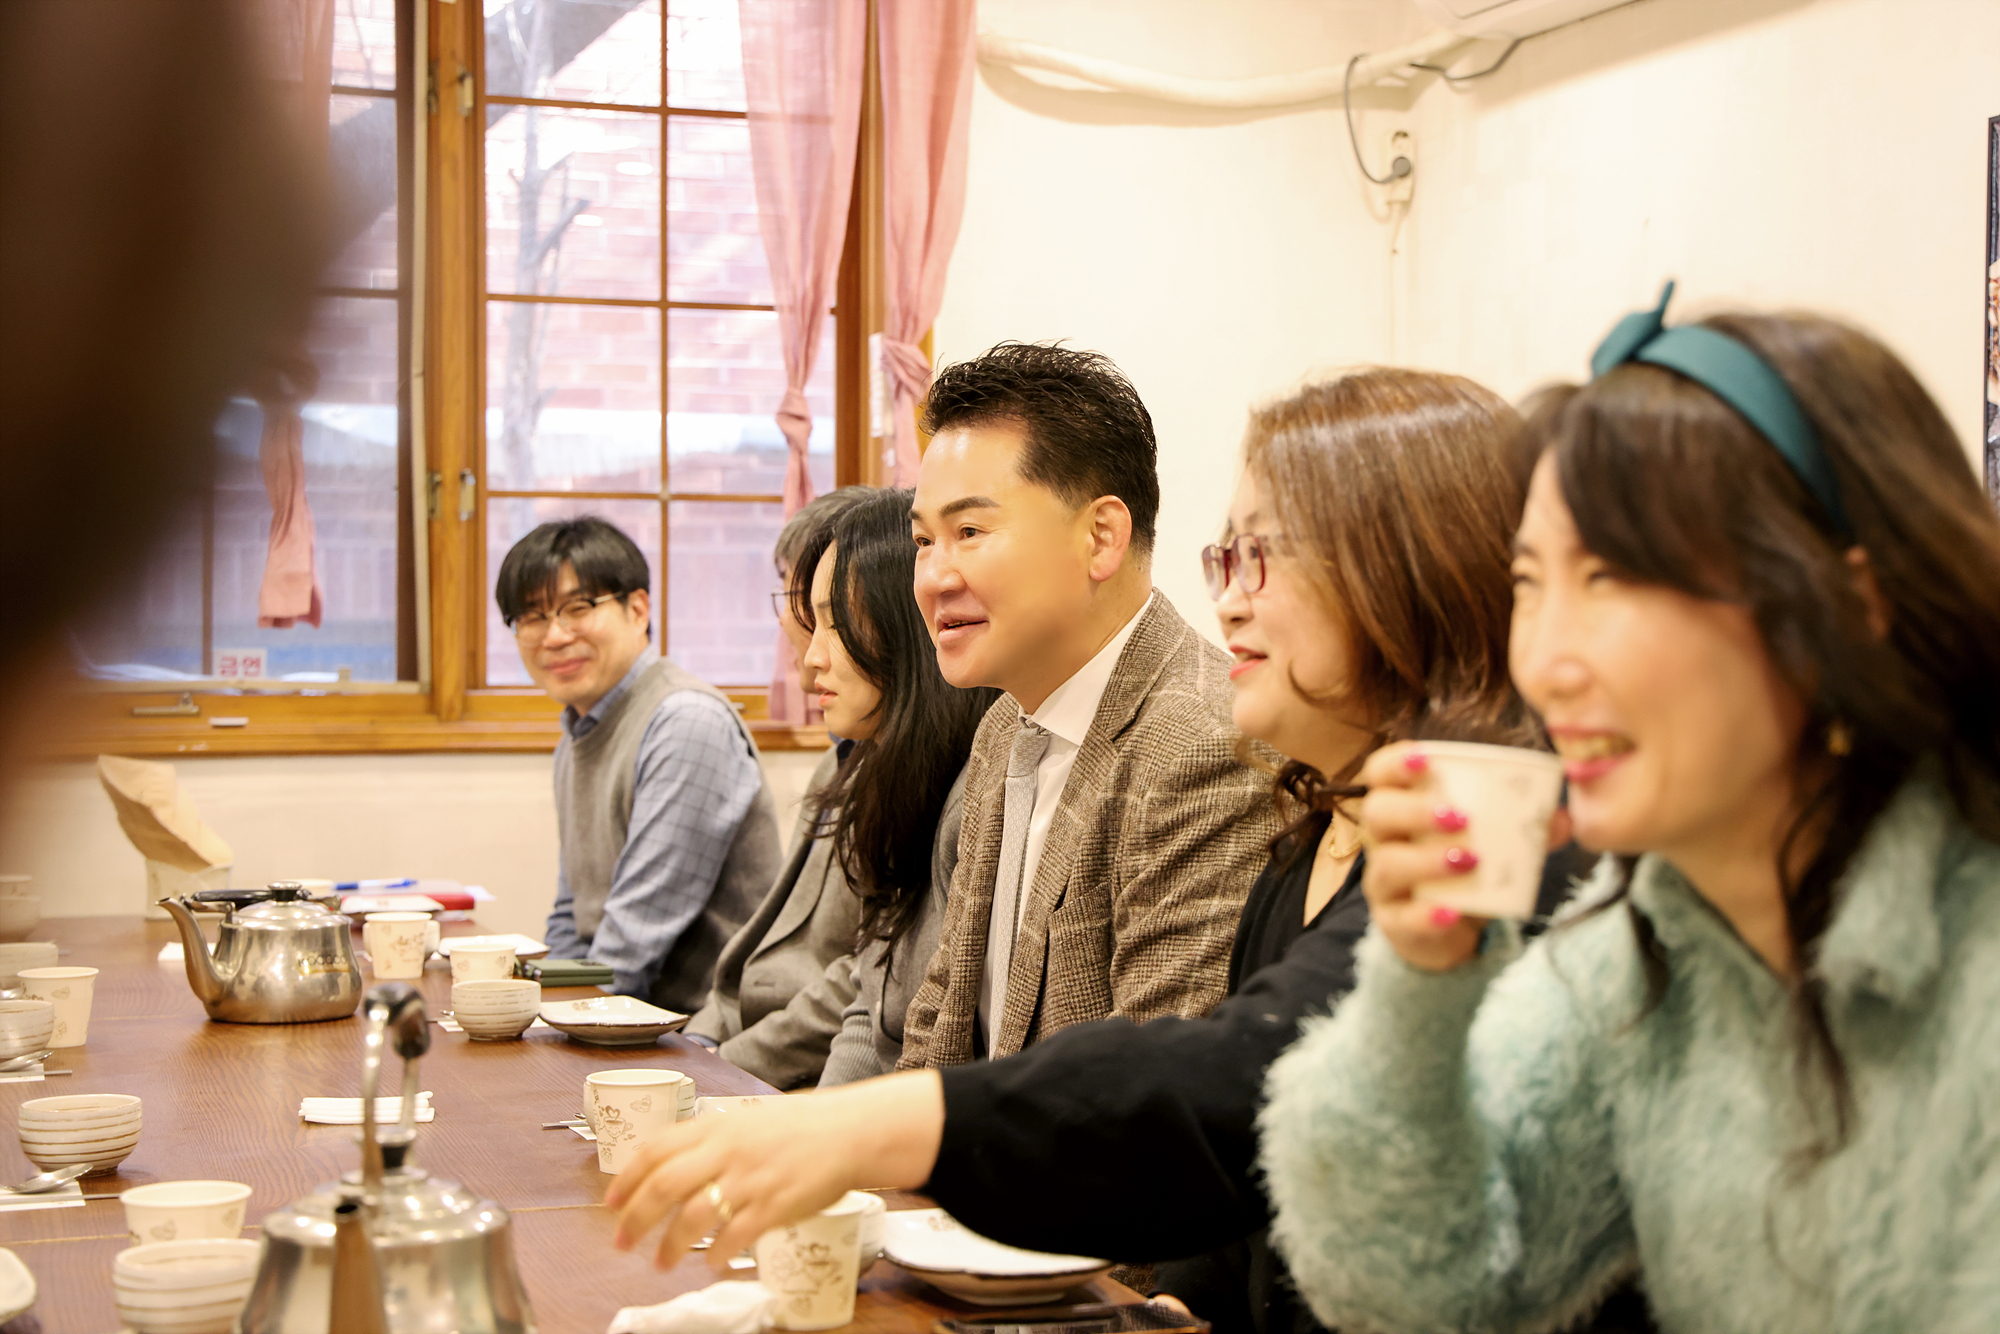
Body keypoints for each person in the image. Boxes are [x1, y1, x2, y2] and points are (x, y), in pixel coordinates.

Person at [598, 370, 1646, 1334]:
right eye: (1224, 555)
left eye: (1265, 556)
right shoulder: (1299, 824)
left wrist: (870, 1129)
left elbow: (1221, 1077)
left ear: (1408, 572)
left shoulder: (1508, 837)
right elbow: (1238, 1173)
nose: (1229, 595)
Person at [1259, 290, 2000, 1334]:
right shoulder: (1643, 933)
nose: (1546, 663)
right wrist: (1416, 994)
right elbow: (1418, 1280)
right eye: (1528, 581)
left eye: (1609, 576)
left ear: (1846, 603)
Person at [899, 342, 1278, 1067]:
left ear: (1101, 536)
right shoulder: (1006, 723)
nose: (933, 576)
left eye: (969, 532)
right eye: (923, 539)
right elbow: (941, 1017)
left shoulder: (1203, 745)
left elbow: (1151, 1090)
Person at [495, 517, 781, 1012]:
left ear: (638, 609)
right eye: (532, 617)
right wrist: (543, 1008)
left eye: (577, 608)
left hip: (705, 1030)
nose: (554, 636)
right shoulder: (577, 733)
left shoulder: (685, 721)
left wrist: (562, 1021)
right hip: (629, 1014)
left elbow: (635, 935)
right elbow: (572, 913)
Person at [799, 490, 999, 1083]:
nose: (811, 658)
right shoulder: (882, 773)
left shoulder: (975, 792)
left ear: (909, 627)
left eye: (836, 624)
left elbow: (950, 1047)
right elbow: (871, 1007)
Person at [686, 488, 876, 1087]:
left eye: (826, 612)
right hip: (739, 1039)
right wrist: (694, 1045)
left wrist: (718, 1067)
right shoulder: (836, 763)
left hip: (799, 1074)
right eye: (801, 603)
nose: (806, 643)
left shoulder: (921, 770)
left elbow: (863, 985)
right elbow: (762, 946)